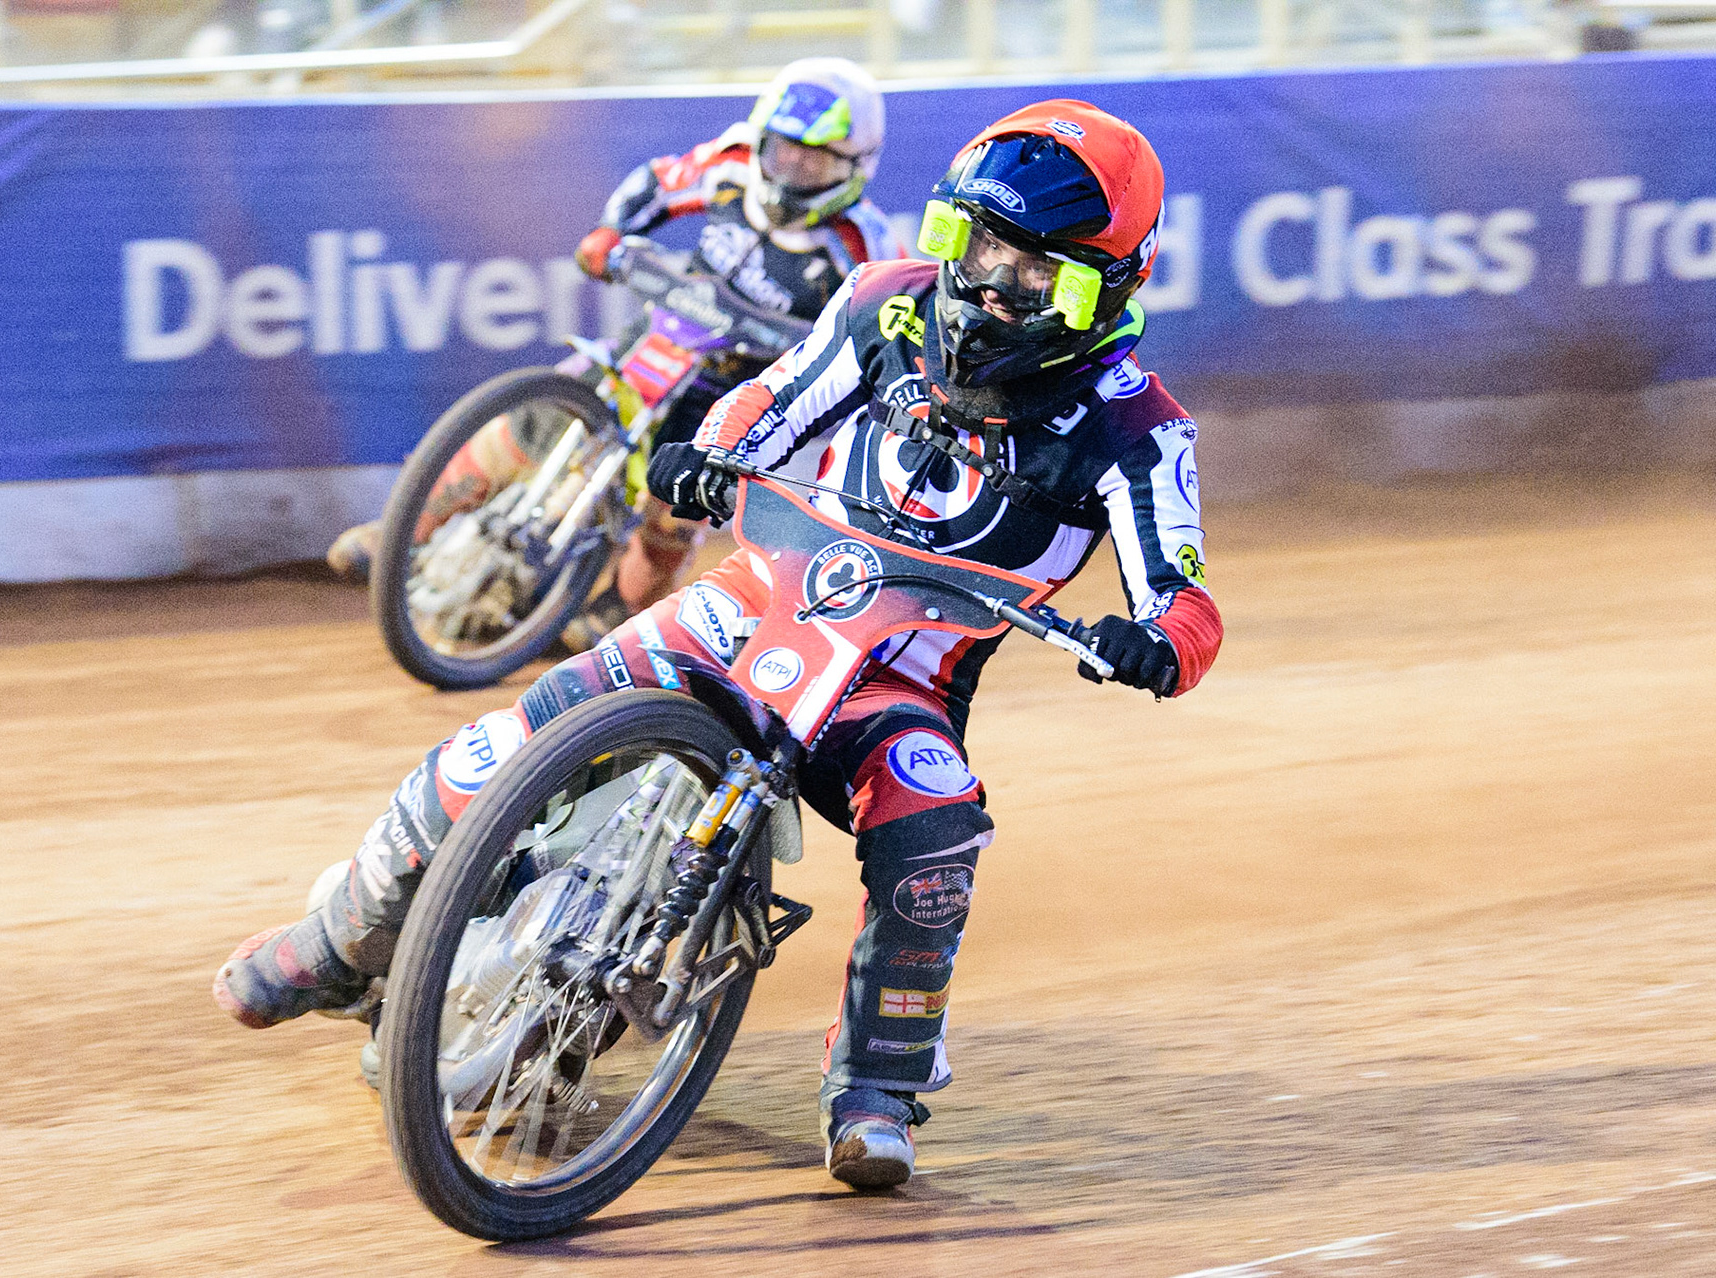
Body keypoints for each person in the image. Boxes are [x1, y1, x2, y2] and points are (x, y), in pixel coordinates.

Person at [219, 99, 1223, 1189]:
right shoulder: (882, 303)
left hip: (894, 684)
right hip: (747, 601)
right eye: (976, 246)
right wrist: (708, 454)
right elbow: (769, 403)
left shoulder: (1141, 430)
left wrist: (1154, 643)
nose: (989, 287)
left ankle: (875, 1090)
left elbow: (1187, 602)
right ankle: (334, 941)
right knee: (509, 739)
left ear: (1109, 286)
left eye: (1034, 274)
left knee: (935, 827)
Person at [325, 56, 902, 652]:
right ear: (761, 142)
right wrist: (610, 233)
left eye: (815, 158)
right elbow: (656, 182)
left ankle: (623, 606)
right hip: (659, 338)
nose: (794, 167)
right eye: (783, 150)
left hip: (739, 389)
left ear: (856, 166)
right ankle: (404, 532)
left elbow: (880, 337)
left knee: (675, 504)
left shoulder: (864, 245)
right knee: (529, 424)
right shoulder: (729, 167)